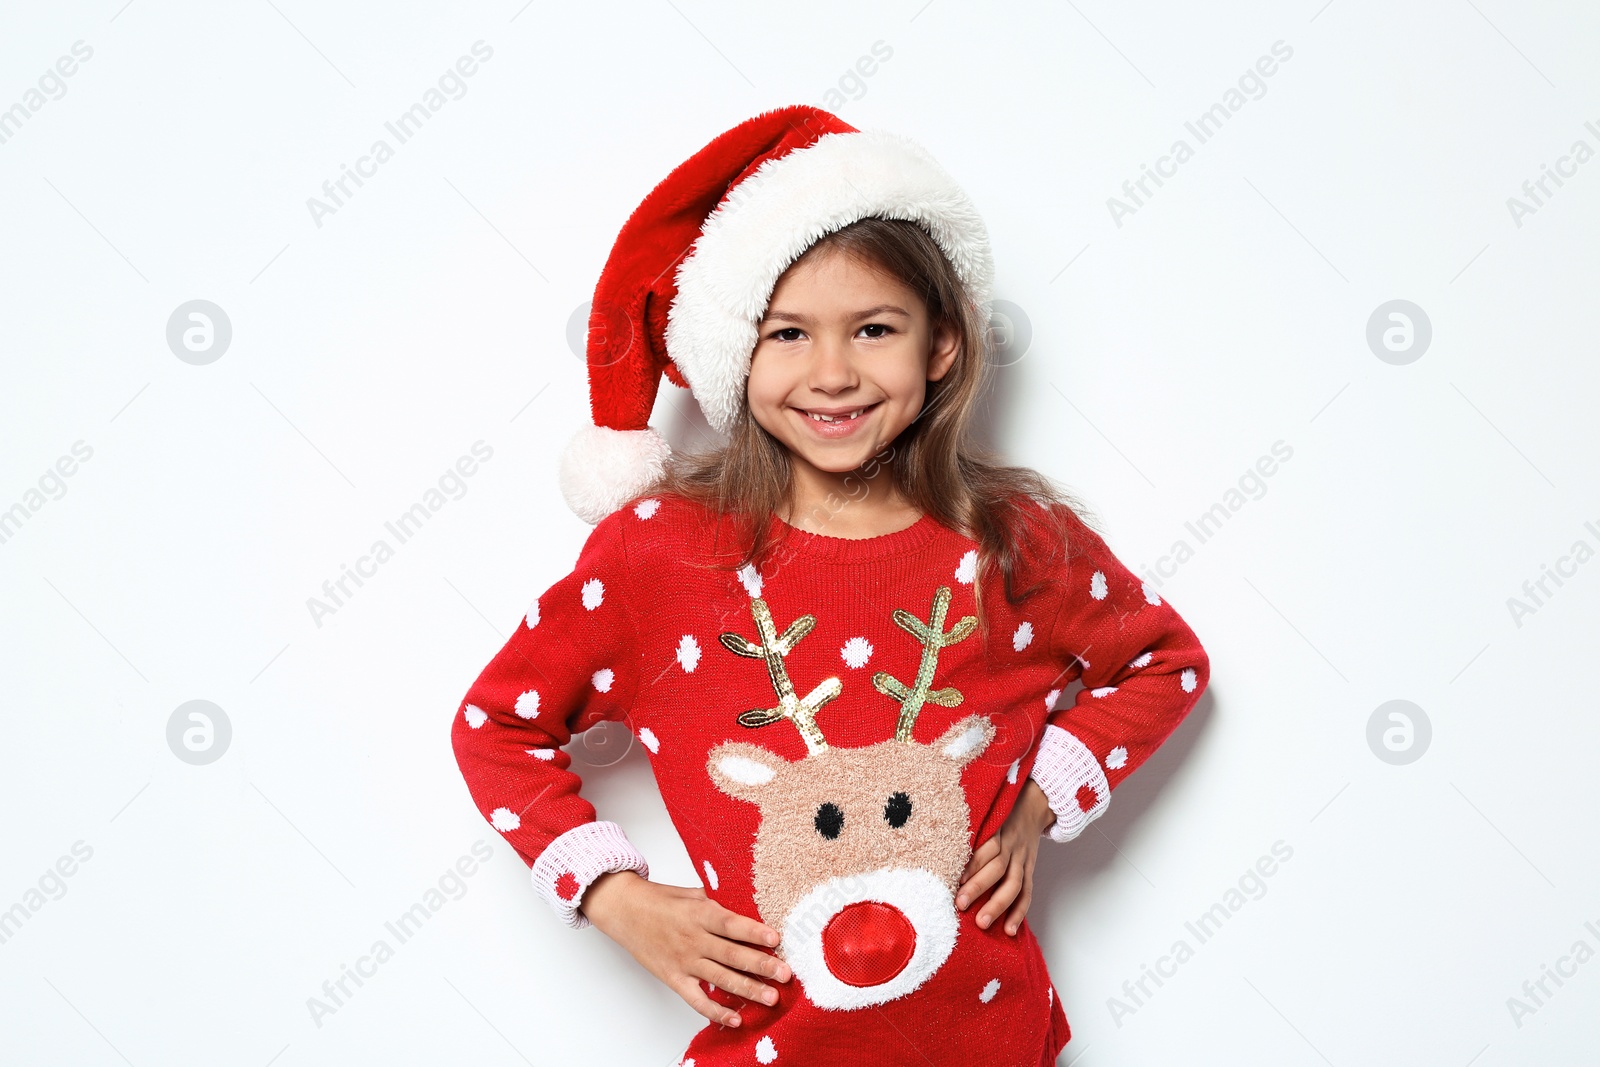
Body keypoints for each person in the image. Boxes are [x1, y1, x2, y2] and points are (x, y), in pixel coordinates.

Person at [450, 105, 1209, 1067]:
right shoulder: (661, 555)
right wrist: (615, 896)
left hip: (996, 1039)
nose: (834, 373)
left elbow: (1164, 661)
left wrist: (1041, 800)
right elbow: (496, 725)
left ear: (940, 346)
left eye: (874, 328)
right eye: (788, 334)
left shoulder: (1011, 541)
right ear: (737, 356)